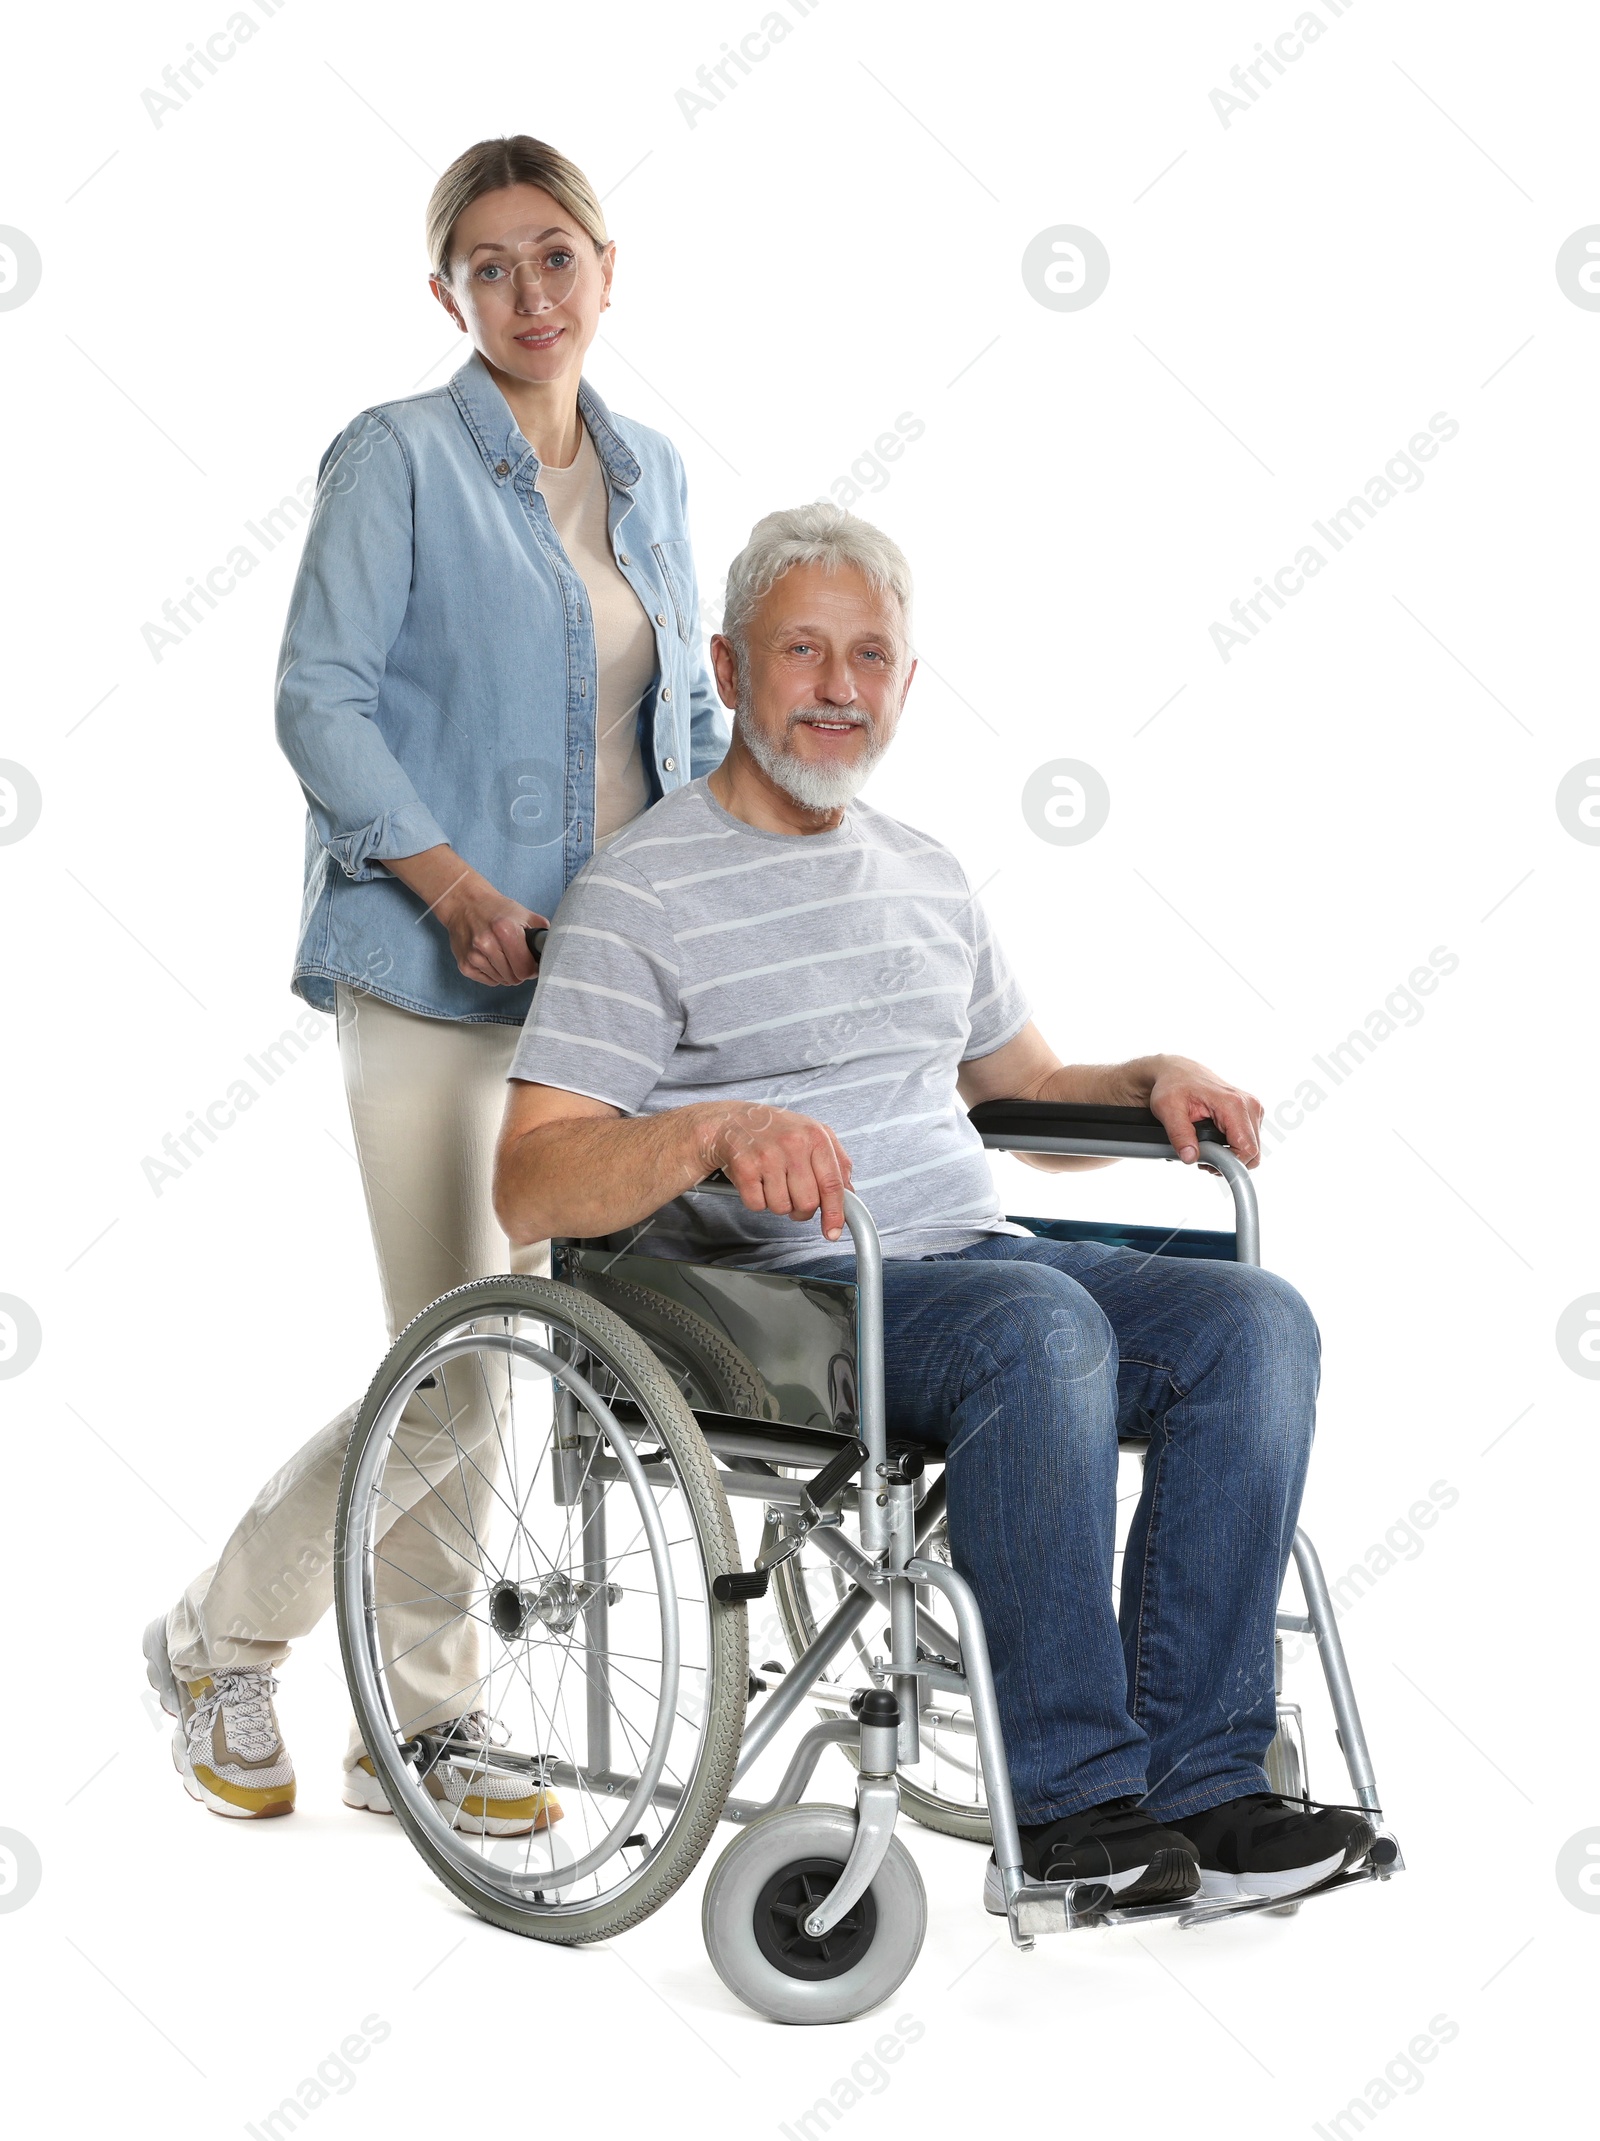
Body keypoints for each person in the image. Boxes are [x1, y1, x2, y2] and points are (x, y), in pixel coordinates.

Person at [490, 502, 1376, 1905]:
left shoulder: (927, 872)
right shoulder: (639, 893)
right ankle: (1077, 1808)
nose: (837, 687)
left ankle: (1207, 1781)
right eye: (803, 651)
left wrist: (1143, 1079)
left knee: (1254, 1323)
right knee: (1039, 1327)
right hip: (787, 1294)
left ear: (905, 682)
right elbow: (531, 1172)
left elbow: (1020, 1090)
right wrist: (710, 1131)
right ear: (727, 666)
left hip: (972, 1258)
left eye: (870, 657)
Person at [143, 135, 726, 1828]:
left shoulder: (658, 474)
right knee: (467, 1360)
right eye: (490, 265)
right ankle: (239, 1647)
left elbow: (671, 728)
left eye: (556, 256)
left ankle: (400, 1725)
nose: (529, 293)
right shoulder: (396, 459)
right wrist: (456, 885)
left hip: (604, 993)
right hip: (430, 968)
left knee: (526, 1359)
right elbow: (319, 700)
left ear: (610, 271)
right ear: (445, 292)